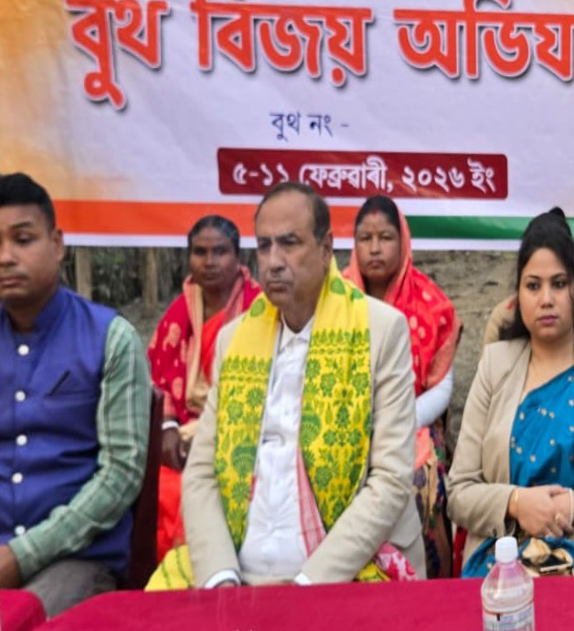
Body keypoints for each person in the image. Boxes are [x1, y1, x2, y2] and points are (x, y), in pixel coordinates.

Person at [146, 182, 425, 589]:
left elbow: (390, 480)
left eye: (289, 244)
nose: (273, 262)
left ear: (326, 249)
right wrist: (221, 578)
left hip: (345, 570)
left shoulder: (380, 330)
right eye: (264, 246)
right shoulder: (234, 339)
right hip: (237, 573)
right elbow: (202, 472)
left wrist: (307, 586)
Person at [0, 173, 150, 616]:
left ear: (57, 244)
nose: (6, 257)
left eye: (22, 239)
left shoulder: (111, 339)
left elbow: (120, 475)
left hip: (72, 559)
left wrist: (23, 555)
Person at [447, 208, 574, 580]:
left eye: (559, 284)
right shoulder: (495, 366)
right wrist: (515, 503)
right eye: (533, 285)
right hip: (499, 560)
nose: (546, 299)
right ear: (518, 294)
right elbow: (459, 492)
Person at [342, 195, 461, 577]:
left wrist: (396, 422)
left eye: (385, 238)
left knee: (422, 479)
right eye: (365, 238)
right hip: (341, 423)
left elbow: (441, 389)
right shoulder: (334, 301)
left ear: (403, 241)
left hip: (413, 422)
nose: (375, 248)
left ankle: (428, 583)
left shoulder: (432, 304)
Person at [147, 215, 261, 560]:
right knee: (158, 487)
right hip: (181, 436)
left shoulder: (260, 308)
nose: (209, 262)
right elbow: (157, 378)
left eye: (220, 252)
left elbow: (267, 385)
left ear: (237, 257)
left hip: (242, 435)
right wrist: (168, 428)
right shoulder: (178, 311)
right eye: (200, 252)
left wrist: (208, 434)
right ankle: (170, 573)